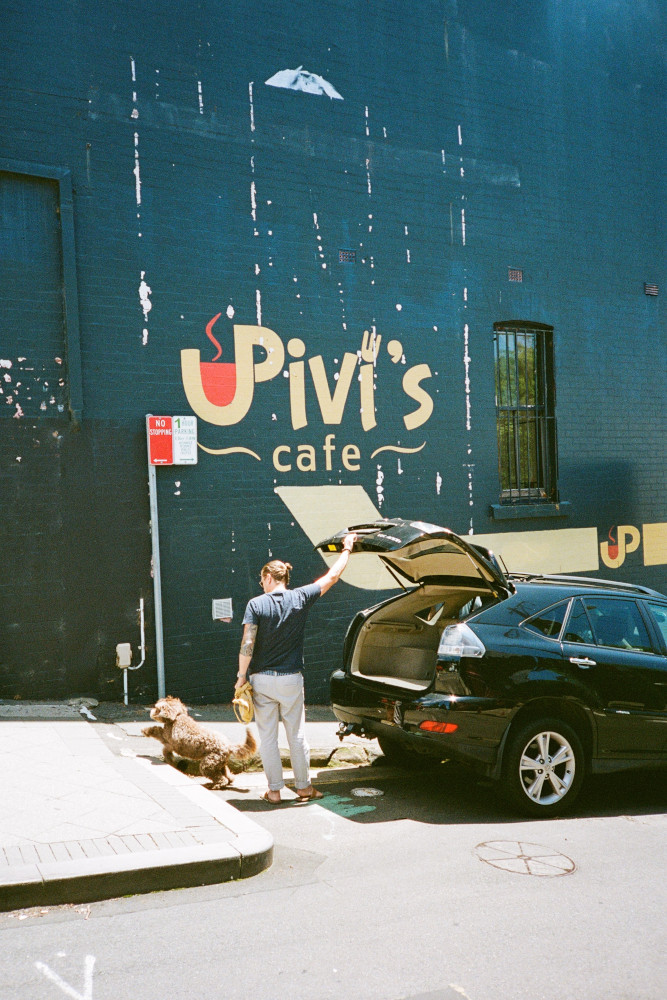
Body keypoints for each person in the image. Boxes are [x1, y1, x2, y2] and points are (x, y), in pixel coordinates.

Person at [235, 533, 357, 804]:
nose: (262, 584)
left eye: (262, 580)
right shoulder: (301, 597)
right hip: (291, 678)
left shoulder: (256, 604)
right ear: (284, 579)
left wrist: (241, 676)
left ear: (268, 578)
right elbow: (332, 576)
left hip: (262, 680)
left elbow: (248, 642)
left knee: (268, 737)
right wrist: (347, 549)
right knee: (297, 734)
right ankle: (303, 788)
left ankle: (275, 791)